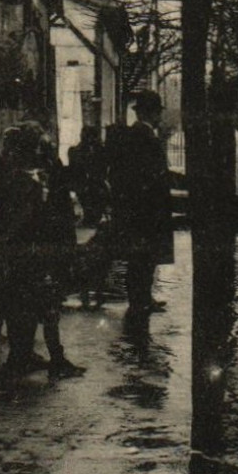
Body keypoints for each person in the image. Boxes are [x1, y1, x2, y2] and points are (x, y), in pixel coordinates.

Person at [0, 124, 84, 381]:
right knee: (44, 303)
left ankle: (22, 355)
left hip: (24, 249)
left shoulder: (16, 176)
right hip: (37, 249)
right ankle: (49, 359)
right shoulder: (30, 181)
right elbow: (30, 216)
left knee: (22, 302)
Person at [105, 91, 174, 313]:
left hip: (138, 206)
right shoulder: (143, 136)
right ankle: (139, 300)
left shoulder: (135, 135)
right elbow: (151, 172)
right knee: (143, 256)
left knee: (143, 255)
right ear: (150, 113)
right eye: (157, 112)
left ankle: (143, 297)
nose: (159, 117)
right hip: (146, 207)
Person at [66, 125, 109, 227]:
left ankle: (93, 217)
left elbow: (103, 167)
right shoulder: (75, 150)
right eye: (83, 135)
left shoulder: (100, 150)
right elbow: (75, 166)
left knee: (95, 196)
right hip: (84, 182)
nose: (83, 137)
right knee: (88, 198)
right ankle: (90, 217)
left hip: (96, 182)